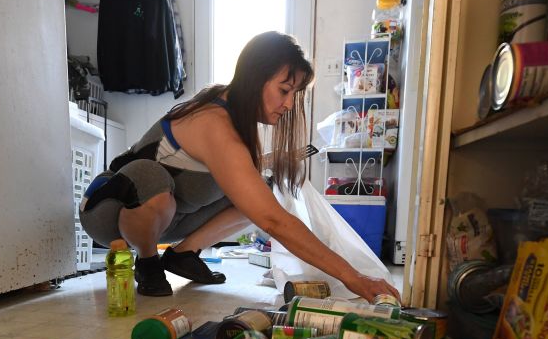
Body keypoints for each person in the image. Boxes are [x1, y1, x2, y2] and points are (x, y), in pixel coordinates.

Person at [79, 31, 399, 303]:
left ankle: (183, 254)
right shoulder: (214, 122)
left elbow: (259, 201)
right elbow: (273, 220)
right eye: (284, 90)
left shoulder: (238, 121)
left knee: (261, 187)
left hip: (167, 216)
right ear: (255, 78)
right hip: (107, 210)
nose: (289, 104)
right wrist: (353, 277)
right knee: (152, 179)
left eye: (294, 94)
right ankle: (147, 263)